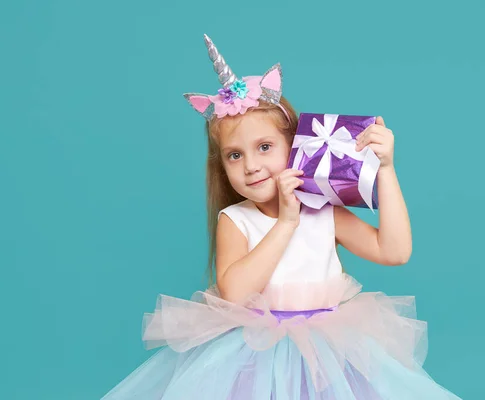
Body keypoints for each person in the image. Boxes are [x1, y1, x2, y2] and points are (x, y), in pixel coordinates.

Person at [101, 34, 462, 399]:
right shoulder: (236, 219)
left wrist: (385, 170)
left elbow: (394, 251)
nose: (252, 166)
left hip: (328, 354)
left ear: (294, 144)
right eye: (234, 155)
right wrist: (287, 222)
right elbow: (236, 293)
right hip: (254, 357)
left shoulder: (323, 209)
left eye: (264, 147)